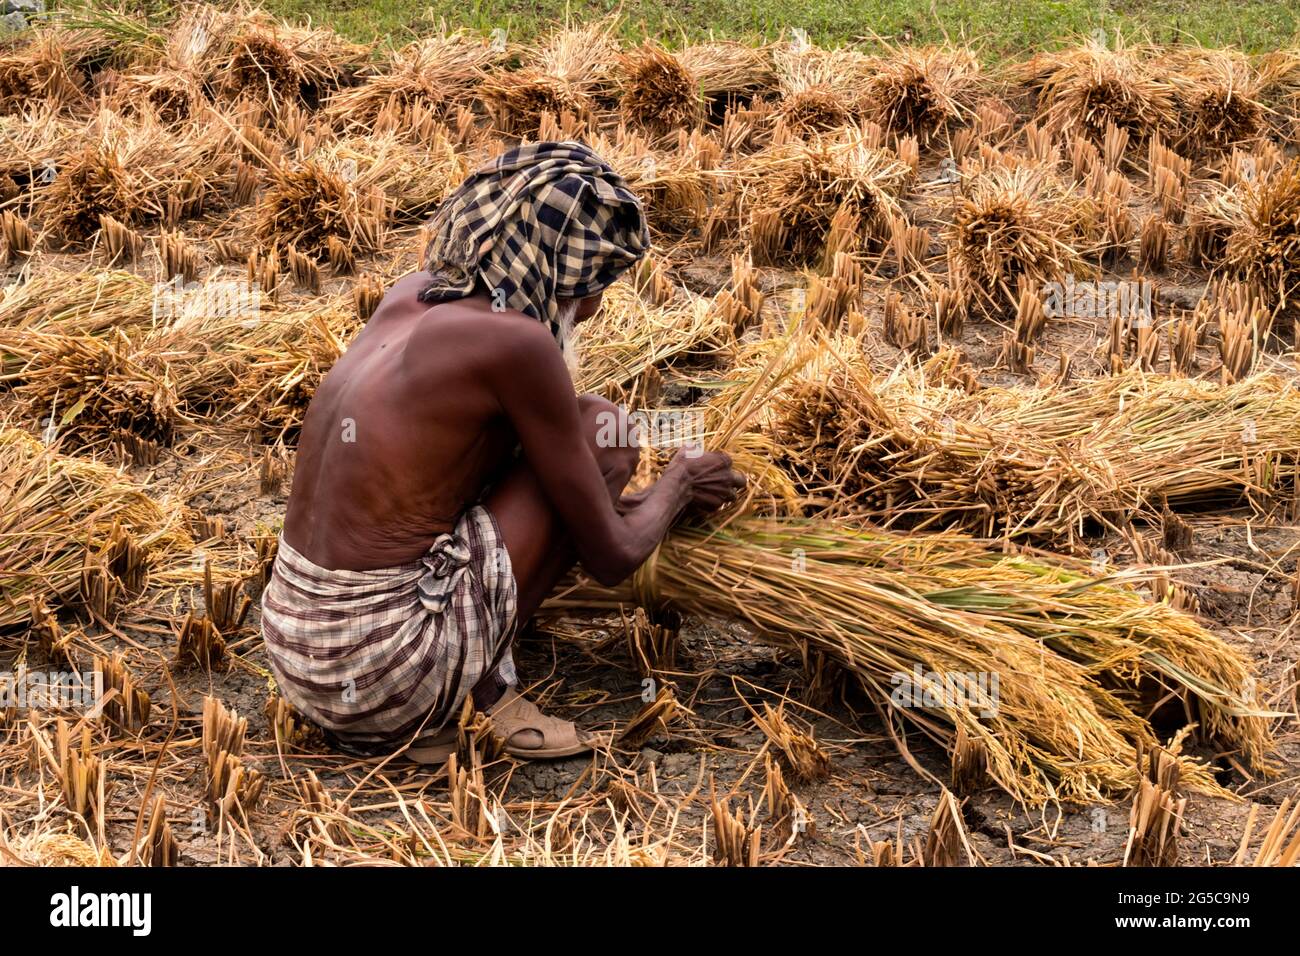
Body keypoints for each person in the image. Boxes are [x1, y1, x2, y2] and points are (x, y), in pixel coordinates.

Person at [261, 141, 746, 765]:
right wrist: (678, 483)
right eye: (595, 288)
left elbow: (465, 476)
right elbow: (612, 556)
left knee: (579, 441)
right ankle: (479, 692)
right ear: (564, 278)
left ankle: (451, 672)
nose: (594, 310)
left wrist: (641, 501)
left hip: (294, 648)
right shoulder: (515, 344)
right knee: (604, 431)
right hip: (383, 666)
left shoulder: (411, 297)